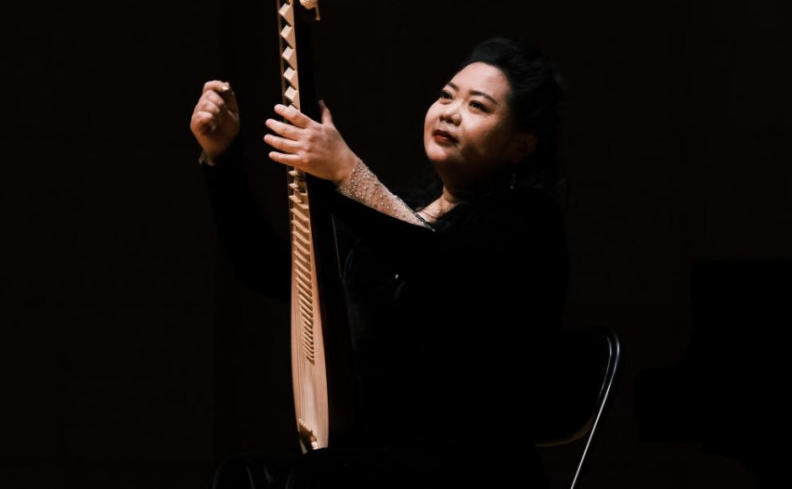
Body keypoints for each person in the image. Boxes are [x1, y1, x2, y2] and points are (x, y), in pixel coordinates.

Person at [191, 35, 570, 488]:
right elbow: (269, 271)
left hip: (471, 463)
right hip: (370, 457)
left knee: (315, 478)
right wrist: (222, 159)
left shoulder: (529, 221)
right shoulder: (399, 213)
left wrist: (347, 173)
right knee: (243, 476)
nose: (450, 112)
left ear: (520, 146)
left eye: (478, 107)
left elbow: (442, 271)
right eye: (446, 96)